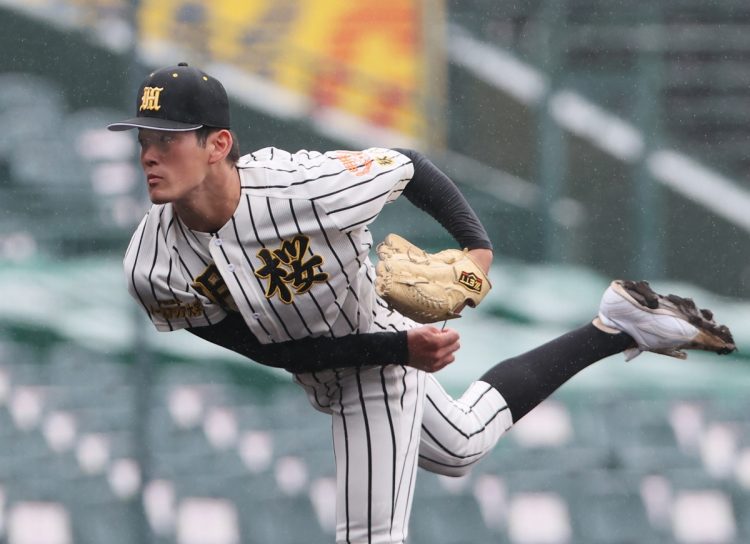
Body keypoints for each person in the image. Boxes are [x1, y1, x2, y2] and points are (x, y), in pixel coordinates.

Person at [108, 63, 735, 544]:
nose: (148, 154)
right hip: (358, 351)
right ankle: (614, 328)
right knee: (461, 446)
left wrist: (476, 251)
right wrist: (401, 345)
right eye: (143, 137)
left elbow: (408, 166)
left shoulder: (307, 189)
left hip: (377, 369)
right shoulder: (153, 267)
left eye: (167, 138)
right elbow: (272, 350)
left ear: (218, 144)